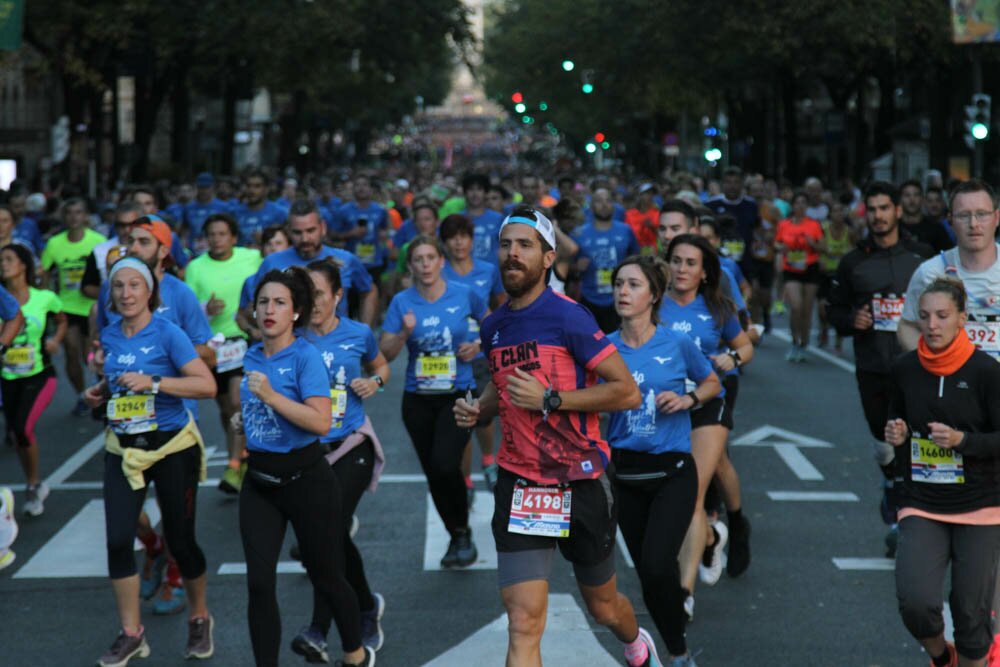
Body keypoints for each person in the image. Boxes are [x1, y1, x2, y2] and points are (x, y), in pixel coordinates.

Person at [452, 208, 660, 667]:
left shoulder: (571, 318)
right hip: (521, 482)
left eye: (525, 246)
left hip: (580, 478)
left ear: (548, 258)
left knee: (604, 607)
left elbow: (625, 392)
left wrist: (552, 399)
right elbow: (502, 384)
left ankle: (636, 644)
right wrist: (479, 408)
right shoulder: (494, 326)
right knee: (523, 622)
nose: (513, 254)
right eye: (506, 245)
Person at [233, 266, 373, 667]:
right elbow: (263, 409)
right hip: (260, 483)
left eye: (280, 302)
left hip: (307, 482)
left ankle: (356, 653)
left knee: (327, 576)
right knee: (259, 584)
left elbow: (320, 422)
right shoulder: (252, 354)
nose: (270, 309)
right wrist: (245, 419)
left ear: (295, 312)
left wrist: (271, 397)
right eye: (263, 302)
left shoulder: (306, 356)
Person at [83, 257, 216, 666]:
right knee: (118, 539)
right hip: (123, 448)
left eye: (134, 285)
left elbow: (206, 385)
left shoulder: (168, 333)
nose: (125, 294)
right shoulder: (109, 333)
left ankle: (199, 617)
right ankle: (131, 633)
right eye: (118, 286)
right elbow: (123, 379)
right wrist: (102, 391)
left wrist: (154, 383)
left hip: (172, 446)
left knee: (181, 540)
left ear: (149, 292)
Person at [608, 255, 722, 667]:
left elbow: (712, 381)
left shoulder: (676, 343)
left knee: (658, 567)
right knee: (650, 577)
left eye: (634, 285)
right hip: (625, 474)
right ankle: (678, 649)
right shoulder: (604, 348)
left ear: (654, 295)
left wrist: (688, 399)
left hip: (672, 470)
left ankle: (678, 655)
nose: (623, 291)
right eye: (619, 284)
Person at [885, 277, 1000, 667]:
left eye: (942, 316)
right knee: (915, 603)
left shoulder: (987, 371)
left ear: (962, 319)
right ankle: (940, 656)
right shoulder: (904, 369)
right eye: (924, 316)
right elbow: (897, 419)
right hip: (921, 500)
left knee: (971, 614)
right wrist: (896, 432)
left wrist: (962, 441)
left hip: (980, 504)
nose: (932, 325)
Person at [290, 259, 390, 661]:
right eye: (306, 294)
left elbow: (379, 364)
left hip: (352, 447)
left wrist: (375, 381)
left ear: (337, 295)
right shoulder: (292, 338)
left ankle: (319, 629)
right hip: (309, 454)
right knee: (334, 540)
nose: (313, 302)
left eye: (319, 293)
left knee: (325, 537)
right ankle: (366, 605)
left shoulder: (358, 333)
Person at [827, 181, 933, 556]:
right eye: (872, 209)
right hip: (873, 367)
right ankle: (892, 485)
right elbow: (833, 310)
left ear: (898, 211)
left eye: (885, 208)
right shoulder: (853, 262)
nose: (878, 215)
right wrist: (849, 319)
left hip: (919, 366)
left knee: (915, 440)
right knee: (884, 444)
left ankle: (908, 516)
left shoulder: (924, 258)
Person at [660, 234, 754, 619]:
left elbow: (745, 345)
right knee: (666, 494)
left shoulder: (716, 306)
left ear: (704, 272)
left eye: (691, 263)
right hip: (665, 406)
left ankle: (684, 594)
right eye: (676, 261)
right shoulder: (652, 302)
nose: (682, 269)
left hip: (708, 402)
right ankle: (713, 537)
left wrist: (733, 357)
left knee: (692, 493)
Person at [380, 234, 486, 568]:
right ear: (410, 266)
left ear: (441, 262)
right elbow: (385, 352)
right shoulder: (401, 302)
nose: (425, 265)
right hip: (418, 399)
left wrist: (479, 345)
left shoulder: (464, 294)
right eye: (418, 259)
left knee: (444, 463)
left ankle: (462, 531)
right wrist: (403, 334)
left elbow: (498, 328)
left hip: (458, 394)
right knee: (434, 473)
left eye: (431, 258)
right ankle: (457, 533)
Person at [184, 213, 262, 494]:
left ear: (233, 237)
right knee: (225, 408)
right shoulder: (195, 267)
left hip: (242, 340)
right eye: (211, 235)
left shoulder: (251, 259)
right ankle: (241, 457)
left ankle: (234, 465)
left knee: (237, 400)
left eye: (222, 234)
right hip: (212, 346)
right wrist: (206, 307)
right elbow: (189, 306)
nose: (216, 240)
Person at [440, 214, 507, 496]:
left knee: (484, 415)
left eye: (464, 236)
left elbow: (501, 310)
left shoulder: (488, 270)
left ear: (472, 240)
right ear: (444, 243)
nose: (459, 242)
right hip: (448, 357)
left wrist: (482, 343)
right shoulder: (439, 273)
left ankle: (489, 461)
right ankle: (466, 479)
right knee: (462, 422)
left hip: (481, 354)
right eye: (452, 237)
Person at [897, 180, 1000, 362]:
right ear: (950, 220)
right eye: (964, 216)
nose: (974, 224)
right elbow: (907, 325)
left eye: (982, 214)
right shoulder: (929, 272)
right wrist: (931, 363)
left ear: (997, 217)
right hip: (953, 385)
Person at [1, 243, 66, 517]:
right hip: (8, 375)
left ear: (23, 265)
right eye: (0, 260)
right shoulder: (2, 299)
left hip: (40, 374)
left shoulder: (44, 297)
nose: (3, 264)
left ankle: (32, 484)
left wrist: (55, 340)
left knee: (23, 428)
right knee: (18, 434)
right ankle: (35, 482)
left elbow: (62, 320)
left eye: (8, 259)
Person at [255, 201, 378, 327]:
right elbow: (252, 304)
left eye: (310, 230)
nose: (305, 239)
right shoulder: (271, 263)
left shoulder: (345, 260)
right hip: (290, 343)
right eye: (297, 232)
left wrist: (364, 330)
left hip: (336, 343)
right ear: (289, 232)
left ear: (323, 228)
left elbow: (369, 291)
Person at [41, 197, 107, 415]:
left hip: (91, 305)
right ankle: (81, 394)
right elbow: (44, 273)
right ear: (63, 216)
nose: (74, 217)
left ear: (86, 216)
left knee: (91, 353)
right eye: (69, 212)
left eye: (78, 212)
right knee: (71, 351)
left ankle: (101, 393)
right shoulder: (54, 243)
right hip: (66, 306)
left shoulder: (98, 241)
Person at [573, 188, 641, 333]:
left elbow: (637, 259)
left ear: (614, 204)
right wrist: (576, 268)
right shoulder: (579, 233)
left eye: (608, 201)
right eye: (599, 201)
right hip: (588, 300)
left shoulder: (626, 231)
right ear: (591, 206)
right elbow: (565, 269)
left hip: (620, 299)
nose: (604, 205)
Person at [774, 191, 823, 361]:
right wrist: (781, 248)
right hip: (791, 269)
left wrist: (813, 244)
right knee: (796, 306)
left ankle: (804, 344)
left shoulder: (814, 225)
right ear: (792, 206)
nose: (800, 206)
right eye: (797, 202)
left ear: (807, 206)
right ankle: (794, 341)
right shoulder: (784, 224)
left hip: (810, 268)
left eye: (803, 202)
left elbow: (822, 246)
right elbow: (777, 242)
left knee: (807, 311)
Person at [236, 226, 291, 340]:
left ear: (289, 247)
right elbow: (240, 316)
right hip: (261, 344)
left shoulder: (295, 278)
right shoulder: (250, 281)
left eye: (278, 243)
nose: (273, 248)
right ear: (262, 249)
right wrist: (252, 331)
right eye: (268, 244)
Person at [816, 200, 856, 352]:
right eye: (835, 211)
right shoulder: (824, 230)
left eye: (841, 211)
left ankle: (838, 340)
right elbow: (818, 248)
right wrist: (823, 251)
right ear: (830, 214)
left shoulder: (849, 231)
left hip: (842, 275)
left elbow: (855, 249)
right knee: (822, 308)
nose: (838, 214)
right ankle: (824, 328)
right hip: (825, 274)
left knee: (841, 308)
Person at [233, 170, 288, 247]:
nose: (251, 190)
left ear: (266, 189)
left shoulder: (280, 213)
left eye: (257, 186)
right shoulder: (234, 213)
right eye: (248, 186)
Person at [898, 179, 954, 253]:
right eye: (907, 195)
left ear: (922, 199)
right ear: (900, 199)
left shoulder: (936, 229)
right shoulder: (894, 228)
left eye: (916, 195)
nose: (912, 200)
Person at [461, 173, 505, 266]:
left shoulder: (498, 219)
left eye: (479, 189)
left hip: (492, 275)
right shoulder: (457, 219)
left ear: (486, 192)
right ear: (465, 192)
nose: (475, 194)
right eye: (471, 189)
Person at [183, 173, 231, 253]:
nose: (204, 191)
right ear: (196, 188)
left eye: (207, 187)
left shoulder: (223, 207)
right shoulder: (188, 208)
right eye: (201, 187)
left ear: (213, 187)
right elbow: (184, 230)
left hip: (216, 250)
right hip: (194, 252)